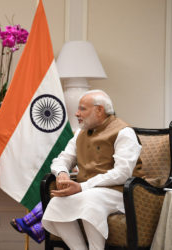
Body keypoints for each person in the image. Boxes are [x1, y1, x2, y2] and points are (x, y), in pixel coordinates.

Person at [41, 89, 143, 250]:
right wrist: (61, 173)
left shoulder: (124, 132)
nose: (76, 113)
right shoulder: (80, 133)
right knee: (56, 203)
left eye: (82, 108)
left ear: (99, 110)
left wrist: (82, 187)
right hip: (90, 191)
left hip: (121, 192)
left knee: (90, 200)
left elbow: (123, 173)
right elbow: (62, 159)